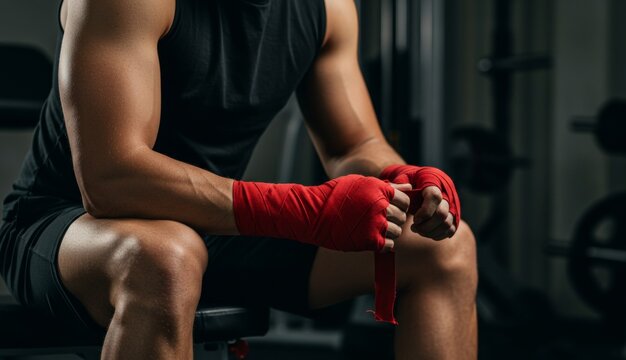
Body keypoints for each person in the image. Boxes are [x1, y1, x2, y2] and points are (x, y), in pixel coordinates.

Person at [0, 0, 477, 358]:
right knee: (165, 255)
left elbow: (353, 146)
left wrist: (403, 180)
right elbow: (112, 179)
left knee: (442, 248)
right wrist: (308, 212)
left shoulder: (328, 7)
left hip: (211, 229)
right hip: (68, 226)